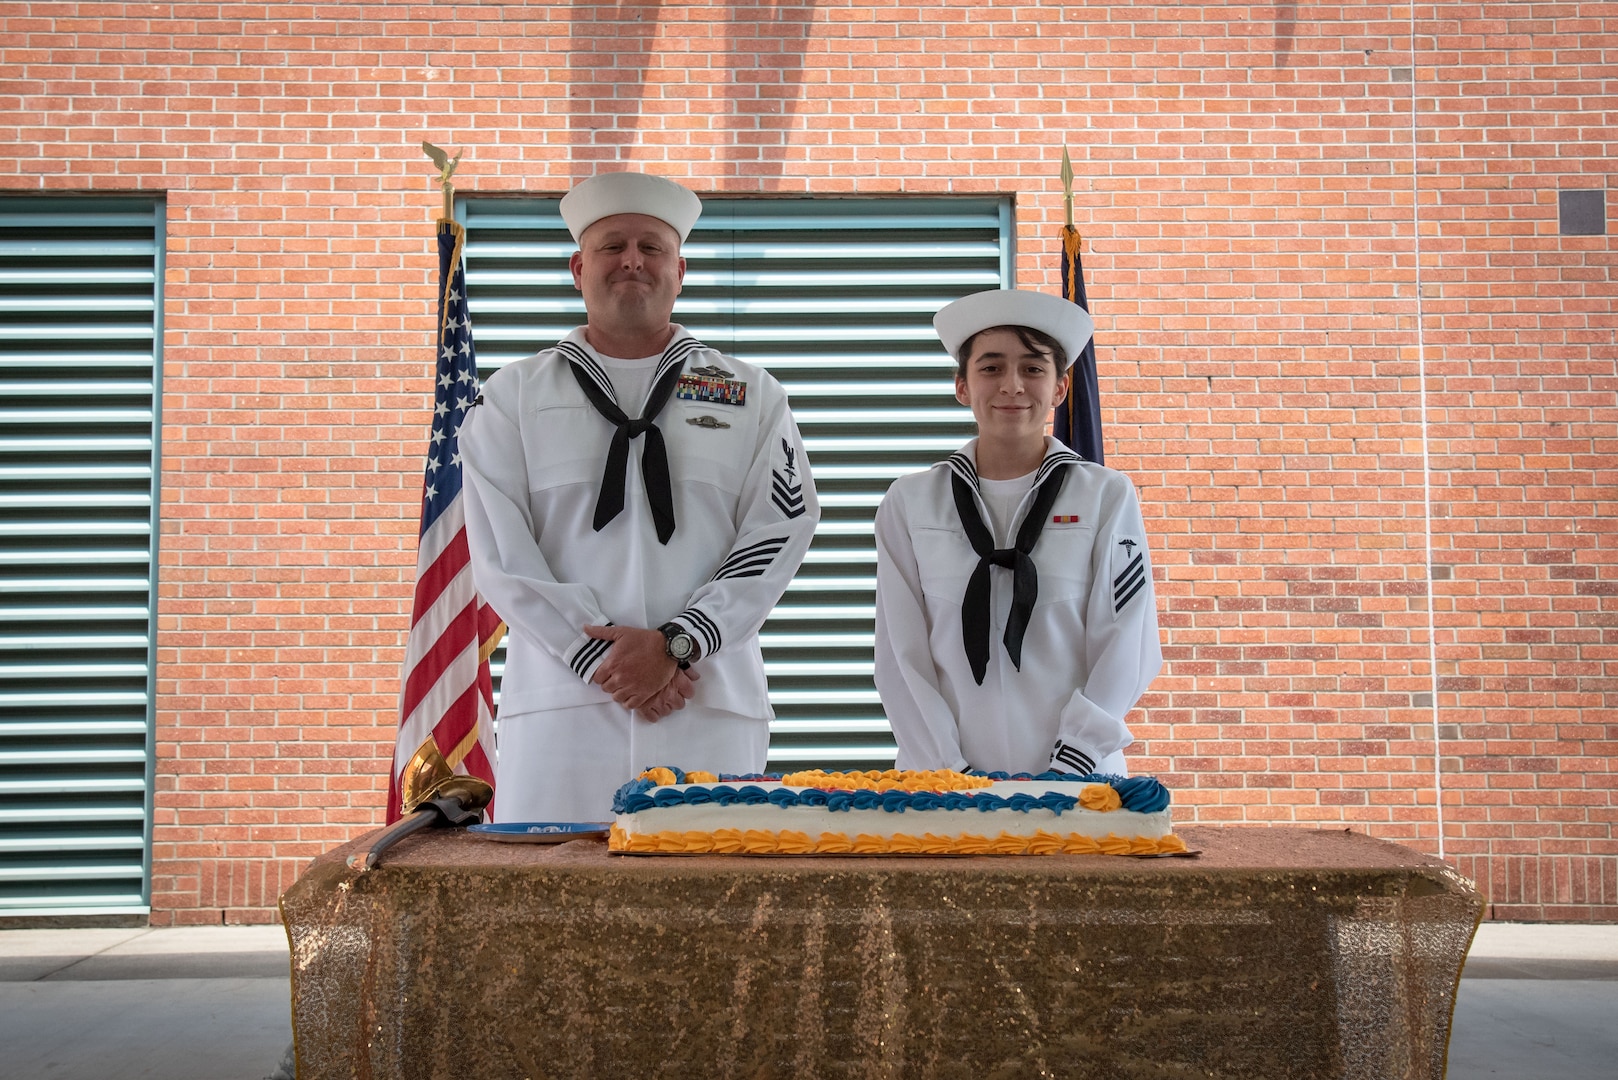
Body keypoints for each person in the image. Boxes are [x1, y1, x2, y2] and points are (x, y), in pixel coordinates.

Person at [459, 172, 819, 822]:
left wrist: (680, 643)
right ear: (578, 267)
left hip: (705, 700)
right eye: (612, 246)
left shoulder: (752, 395)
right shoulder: (511, 397)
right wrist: (602, 658)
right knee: (549, 913)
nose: (632, 260)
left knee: (714, 913)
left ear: (679, 270)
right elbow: (500, 553)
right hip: (562, 709)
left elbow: (779, 531)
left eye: (651, 247)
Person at [873, 289, 1161, 778]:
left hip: (1079, 780)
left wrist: (1074, 760)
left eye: (1033, 368)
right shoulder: (910, 502)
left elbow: (1128, 639)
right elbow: (901, 655)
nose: (1012, 386)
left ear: (1060, 388)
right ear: (961, 385)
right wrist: (948, 771)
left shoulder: (1105, 497)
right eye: (991, 368)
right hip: (944, 784)